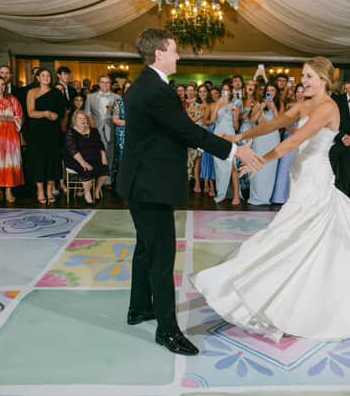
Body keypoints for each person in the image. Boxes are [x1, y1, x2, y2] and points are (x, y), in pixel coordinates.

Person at [191, 57, 350, 343]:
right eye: (303, 76)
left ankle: (298, 302)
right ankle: (284, 293)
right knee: (294, 235)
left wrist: (262, 160)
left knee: (296, 235)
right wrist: (240, 135)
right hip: (301, 175)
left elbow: (296, 140)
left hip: (315, 178)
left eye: (309, 76)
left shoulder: (328, 107)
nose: (304, 81)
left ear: (324, 80)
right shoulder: (305, 104)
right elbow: (275, 125)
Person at [116, 29, 264, 356]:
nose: (178, 56)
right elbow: (188, 131)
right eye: (174, 50)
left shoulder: (144, 85)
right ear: (159, 54)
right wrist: (234, 150)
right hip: (151, 185)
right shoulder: (156, 90)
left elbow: (171, 133)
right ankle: (167, 331)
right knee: (161, 257)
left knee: (145, 249)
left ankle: (138, 308)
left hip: (141, 182)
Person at [25, 68, 65, 204]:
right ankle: (40, 190)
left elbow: (62, 111)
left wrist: (57, 116)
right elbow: (30, 113)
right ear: (38, 78)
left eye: (48, 76)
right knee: (39, 160)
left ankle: (49, 190)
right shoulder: (32, 92)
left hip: (53, 131)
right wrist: (45, 113)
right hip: (37, 131)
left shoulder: (57, 93)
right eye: (43, 75)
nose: (46, 78)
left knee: (52, 160)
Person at [63, 110, 108, 205]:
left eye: (84, 118)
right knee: (86, 170)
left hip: (94, 158)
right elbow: (73, 150)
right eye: (80, 119)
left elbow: (100, 145)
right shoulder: (71, 132)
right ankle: (87, 194)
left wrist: (103, 157)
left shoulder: (94, 131)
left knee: (104, 170)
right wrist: (83, 163)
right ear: (75, 120)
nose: (83, 121)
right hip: (77, 160)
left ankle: (96, 191)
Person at [271, 83, 304, 204]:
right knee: (285, 166)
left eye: (302, 91)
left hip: (303, 139)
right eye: (298, 92)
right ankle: (281, 197)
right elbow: (282, 122)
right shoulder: (290, 105)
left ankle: (297, 198)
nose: (300, 94)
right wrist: (291, 129)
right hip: (289, 137)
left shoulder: (311, 106)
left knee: (299, 168)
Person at [248, 83, 280, 205]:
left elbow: (280, 123)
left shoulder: (278, 104)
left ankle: (266, 197)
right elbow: (252, 121)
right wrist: (261, 107)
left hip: (273, 139)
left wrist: (273, 108)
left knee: (270, 168)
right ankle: (256, 196)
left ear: (276, 93)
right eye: (269, 90)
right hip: (261, 139)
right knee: (258, 165)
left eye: (273, 90)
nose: (270, 92)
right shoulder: (258, 104)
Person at [210, 83, 242, 205]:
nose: (225, 92)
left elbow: (236, 125)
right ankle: (221, 193)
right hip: (217, 135)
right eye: (223, 90)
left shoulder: (234, 105)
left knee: (232, 165)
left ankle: (236, 196)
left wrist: (236, 116)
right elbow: (212, 121)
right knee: (219, 167)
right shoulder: (217, 105)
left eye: (227, 90)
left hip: (229, 136)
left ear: (231, 92)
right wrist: (218, 104)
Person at [85, 76, 119, 183]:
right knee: (95, 153)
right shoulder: (90, 97)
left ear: (110, 84)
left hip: (110, 129)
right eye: (103, 82)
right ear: (99, 83)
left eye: (108, 82)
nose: (105, 84)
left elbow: (119, 114)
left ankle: (108, 179)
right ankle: (95, 178)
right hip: (95, 128)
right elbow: (87, 112)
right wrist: (92, 125)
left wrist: (113, 111)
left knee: (110, 154)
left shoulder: (117, 97)